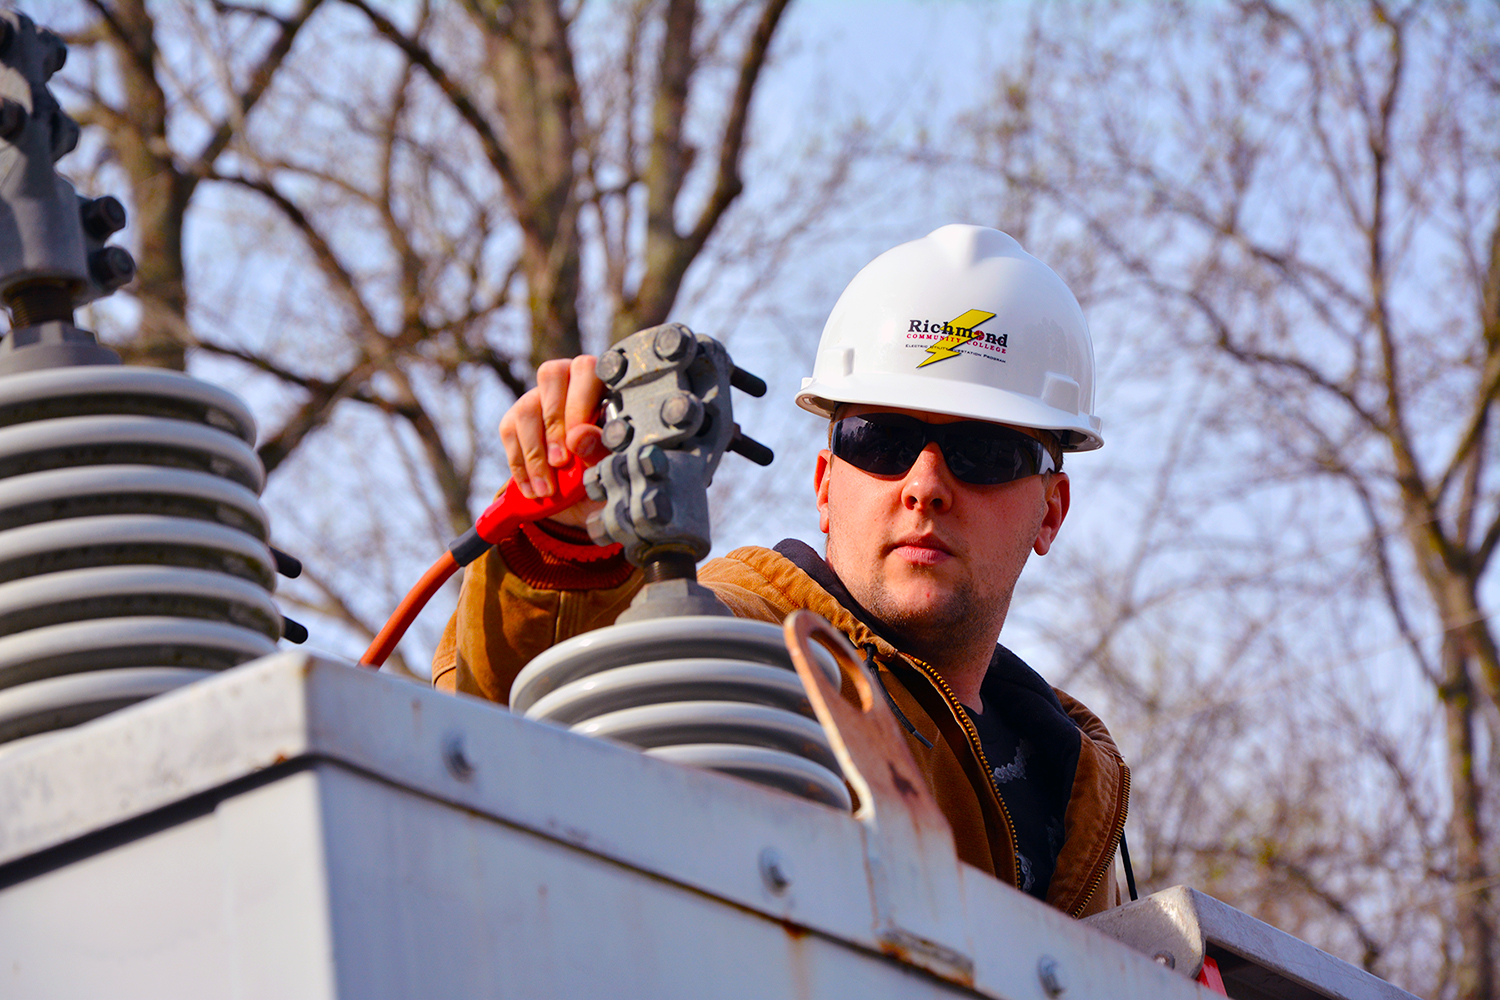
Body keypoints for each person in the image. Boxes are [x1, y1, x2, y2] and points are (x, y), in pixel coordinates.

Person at [433, 224, 1129, 917]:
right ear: (825, 485)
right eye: (880, 439)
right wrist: (566, 548)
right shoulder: (741, 641)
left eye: (984, 451)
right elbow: (528, 730)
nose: (924, 485)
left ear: (1051, 511)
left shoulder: (1072, 785)